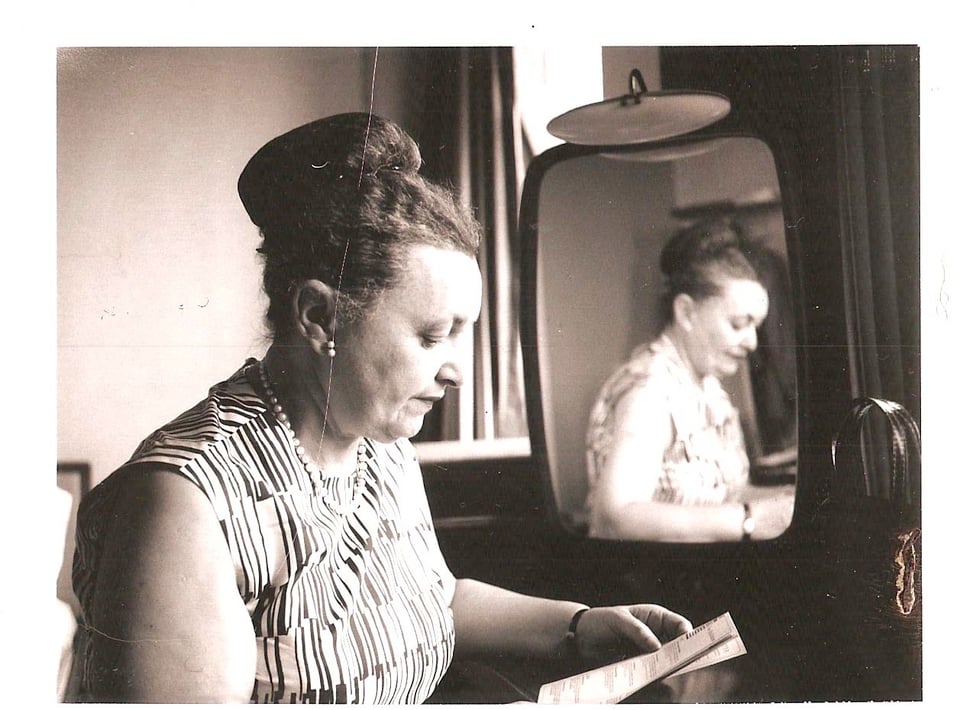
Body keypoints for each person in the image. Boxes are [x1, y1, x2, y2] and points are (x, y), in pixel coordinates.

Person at [71, 112, 693, 703]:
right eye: (430, 336)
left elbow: (437, 599)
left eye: (463, 334)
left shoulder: (382, 447)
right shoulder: (185, 501)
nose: (457, 370)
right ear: (318, 315)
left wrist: (578, 625)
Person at [585, 218, 795, 542]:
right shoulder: (650, 393)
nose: (753, 342)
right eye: (739, 323)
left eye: (756, 326)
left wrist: (793, 503)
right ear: (686, 312)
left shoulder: (710, 389)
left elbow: (727, 495)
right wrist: (750, 520)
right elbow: (613, 517)